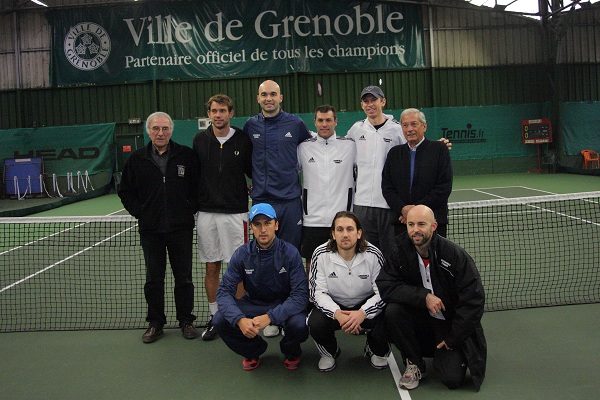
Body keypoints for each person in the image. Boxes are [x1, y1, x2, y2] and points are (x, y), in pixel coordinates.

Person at [376, 205, 487, 391]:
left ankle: (446, 353)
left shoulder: (454, 255)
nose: (415, 230)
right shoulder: (399, 249)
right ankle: (415, 363)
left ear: (434, 226)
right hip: (420, 321)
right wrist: (423, 297)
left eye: (421, 224)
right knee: (393, 311)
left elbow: (473, 301)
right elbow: (386, 285)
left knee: (452, 380)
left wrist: (453, 339)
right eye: (411, 224)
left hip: (449, 326)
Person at [119, 111, 200, 343]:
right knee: (154, 279)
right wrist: (141, 212)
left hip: (180, 229)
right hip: (151, 230)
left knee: (183, 278)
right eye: (156, 129)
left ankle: (186, 321)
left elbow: (196, 189)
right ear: (149, 131)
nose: (161, 133)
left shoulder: (186, 156)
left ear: (171, 130)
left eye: (165, 128)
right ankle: (156, 323)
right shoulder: (136, 159)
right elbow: (125, 191)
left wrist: (187, 209)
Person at [346, 85, 451, 259]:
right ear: (362, 105)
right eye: (366, 101)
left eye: (374, 100)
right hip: (362, 205)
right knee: (365, 256)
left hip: (389, 207)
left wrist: (439, 145)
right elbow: (341, 149)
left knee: (392, 255)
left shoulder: (397, 129)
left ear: (383, 102)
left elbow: (416, 145)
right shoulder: (355, 130)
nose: (370, 104)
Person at [244, 79, 312, 337]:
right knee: (265, 261)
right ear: (258, 98)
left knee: (291, 258)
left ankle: (292, 313)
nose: (269, 98)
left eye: (273, 94)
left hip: (290, 202)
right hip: (262, 202)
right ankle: (270, 316)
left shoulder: (295, 124)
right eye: (264, 95)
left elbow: (315, 148)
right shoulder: (250, 126)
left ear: (280, 97)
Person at [212, 203, 309, 371]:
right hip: (254, 303)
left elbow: (300, 296)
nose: (263, 229)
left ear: (276, 225)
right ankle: (253, 350)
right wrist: (240, 320)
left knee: (300, 325)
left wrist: (270, 317)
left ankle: (290, 351)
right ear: (251, 228)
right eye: (257, 224)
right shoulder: (242, 254)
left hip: (284, 302)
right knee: (220, 320)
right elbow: (223, 292)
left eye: (267, 223)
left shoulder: (290, 253)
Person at [192, 94, 253, 341]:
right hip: (206, 214)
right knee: (212, 266)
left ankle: (238, 318)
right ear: (209, 114)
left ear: (231, 113)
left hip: (236, 213)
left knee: (237, 268)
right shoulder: (199, 140)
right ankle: (216, 318)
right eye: (214, 111)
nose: (218, 115)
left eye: (223, 111)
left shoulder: (243, 140)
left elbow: (253, 171)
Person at [308, 211, 389, 372]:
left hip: (365, 303)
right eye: (340, 229)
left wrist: (362, 313)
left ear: (359, 233)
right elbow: (316, 293)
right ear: (333, 234)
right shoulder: (320, 254)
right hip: (335, 305)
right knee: (315, 323)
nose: (345, 234)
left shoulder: (373, 254)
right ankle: (330, 352)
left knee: (391, 314)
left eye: (350, 229)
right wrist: (337, 314)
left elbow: (383, 292)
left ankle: (374, 349)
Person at [298, 105, 356, 273]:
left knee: (343, 263)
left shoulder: (350, 146)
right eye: (321, 120)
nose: (325, 124)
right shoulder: (303, 148)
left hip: (341, 219)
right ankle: (312, 299)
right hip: (312, 219)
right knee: (312, 265)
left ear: (336, 122)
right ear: (315, 122)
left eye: (328, 120)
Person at [382, 108, 453, 238]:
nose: (409, 129)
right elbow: (387, 188)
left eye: (414, 124)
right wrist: (403, 210)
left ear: (424, 126)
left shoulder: (439, 150)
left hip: (432, 222)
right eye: (405, 125)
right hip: (402, 223)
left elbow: (444, 187)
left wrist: (414, 212)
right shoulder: (394, 153)